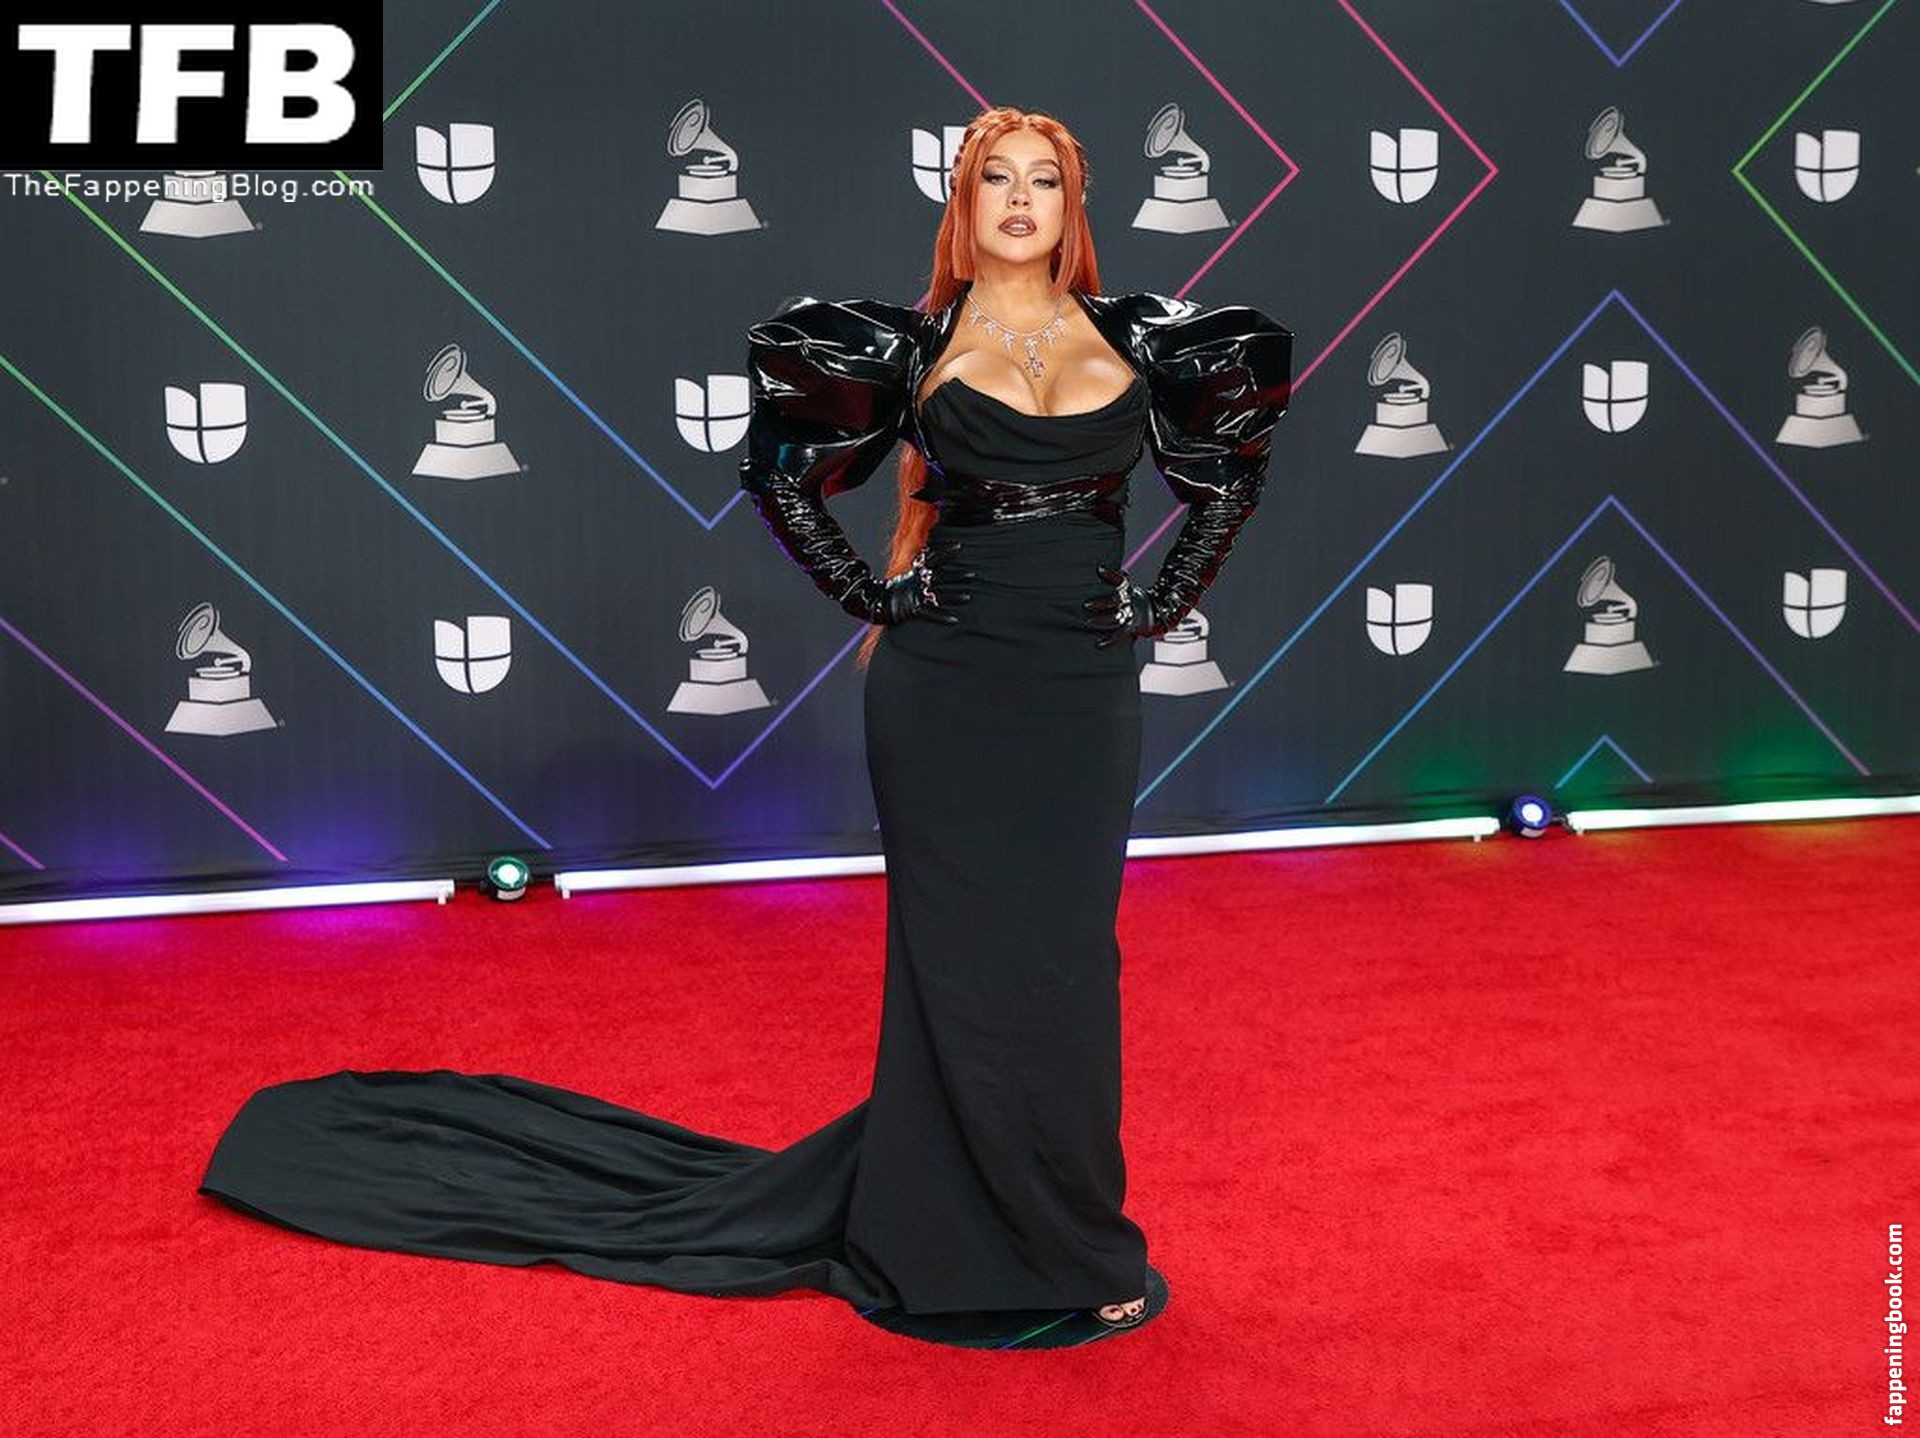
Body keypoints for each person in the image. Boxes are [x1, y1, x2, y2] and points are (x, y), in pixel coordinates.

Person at [197, 105, 1291, 1351]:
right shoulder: (907, 346)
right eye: (998, 178)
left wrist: (1160, 600)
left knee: (1070, 965)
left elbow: (1233, 473)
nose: (1022, 199)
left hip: (1082, 692)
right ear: (965, 200)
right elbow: (776, 474)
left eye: (1045, 180)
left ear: (1073, 205)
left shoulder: (1146, 340)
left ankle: (1068, 1228)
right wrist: (874, 594)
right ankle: (962, 1240)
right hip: (943, 690)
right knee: (957, 969)